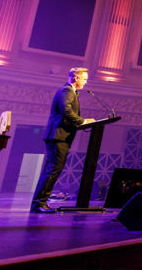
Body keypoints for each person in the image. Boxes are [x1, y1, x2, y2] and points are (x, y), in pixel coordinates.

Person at [31, 67, 95, 213]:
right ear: (76, 78)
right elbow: (67, 111)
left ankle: (39, 202)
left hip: (60, 137)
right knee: (53, 169)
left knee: (53, 169)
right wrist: (83, 121)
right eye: (84, 79)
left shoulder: (71, 92)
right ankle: (38, 203)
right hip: (58, 136)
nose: (86, 82)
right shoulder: (67, 91)